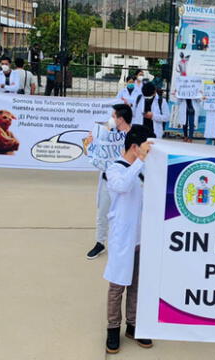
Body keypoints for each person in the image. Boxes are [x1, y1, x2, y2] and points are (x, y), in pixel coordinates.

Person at [104, 124, 154, 353]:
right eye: (145, 148)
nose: (147, 152)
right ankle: (113, 329)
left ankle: (133, 326)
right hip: (121, 238)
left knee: (136, 285)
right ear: (135, 147)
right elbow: (122, 186)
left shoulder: (143, 170)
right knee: (117, 287)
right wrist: (140, 162)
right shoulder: (114, 169)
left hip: (140, 238)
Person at [86, 104, 133, 260]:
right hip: (107, 179)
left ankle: (124, 243)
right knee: (102, 212)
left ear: (120, 119)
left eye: (113, 116)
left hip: (124, 181)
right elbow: (93, 151)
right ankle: (100, 242)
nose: (111, 119)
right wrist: (89, 142)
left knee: (124, 214)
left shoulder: (134, 134)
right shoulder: (106, 132)